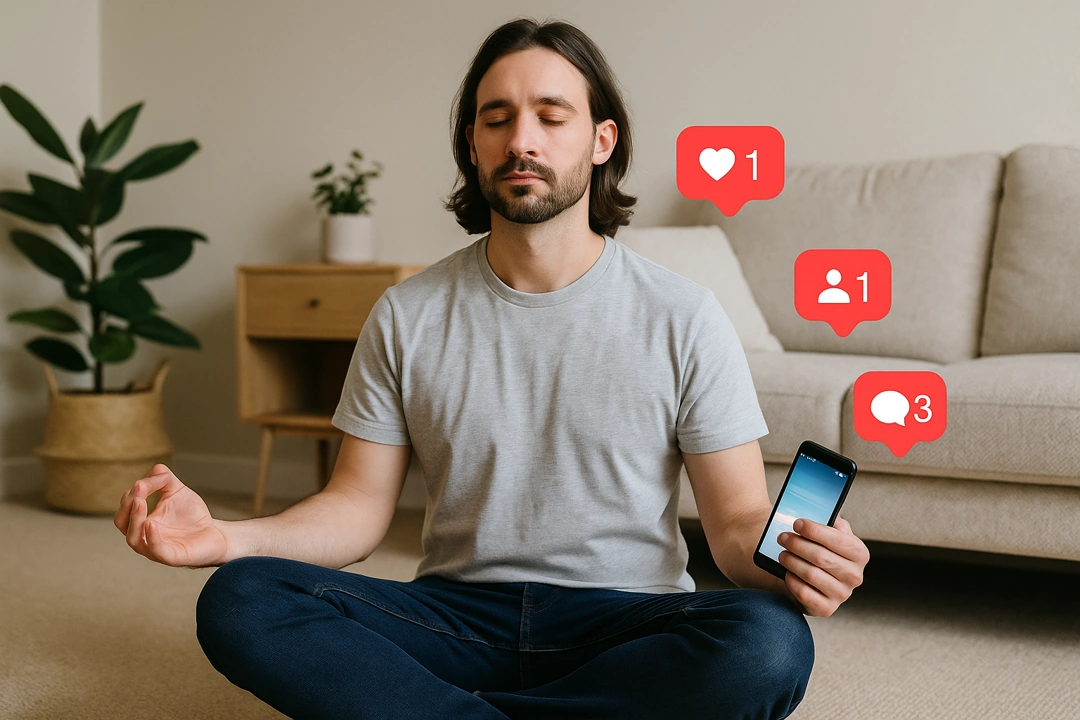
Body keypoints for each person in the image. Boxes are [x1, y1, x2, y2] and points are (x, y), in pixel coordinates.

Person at [115, 16, 869, 720]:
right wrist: (226, 539)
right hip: (454, 617)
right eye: (496, 118)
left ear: (602, 140)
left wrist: (801, 564)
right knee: (241, 599)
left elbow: (737, 524)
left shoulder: (684, 315)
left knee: (768, 640)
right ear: (472, 144)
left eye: (551, 114)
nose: (521, 140)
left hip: (624, 617)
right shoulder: (407, 314)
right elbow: (354, 510)